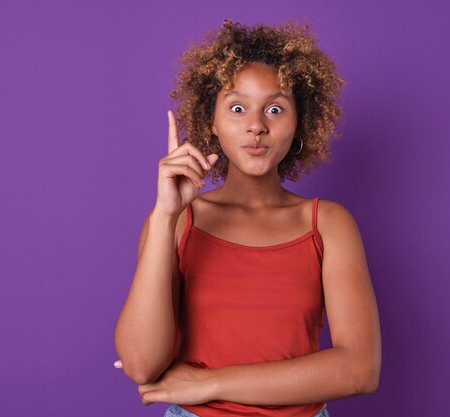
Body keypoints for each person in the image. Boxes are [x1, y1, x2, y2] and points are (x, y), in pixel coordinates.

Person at [114, 19, 382, 417]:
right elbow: (141, 364)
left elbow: (360, 370)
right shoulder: (179, 221)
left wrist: (211, 382)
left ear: (298, 125)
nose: (256, 125)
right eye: (237, 108)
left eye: (275, 109)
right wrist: (165, 215)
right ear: (212, 123)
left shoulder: (328, 223)